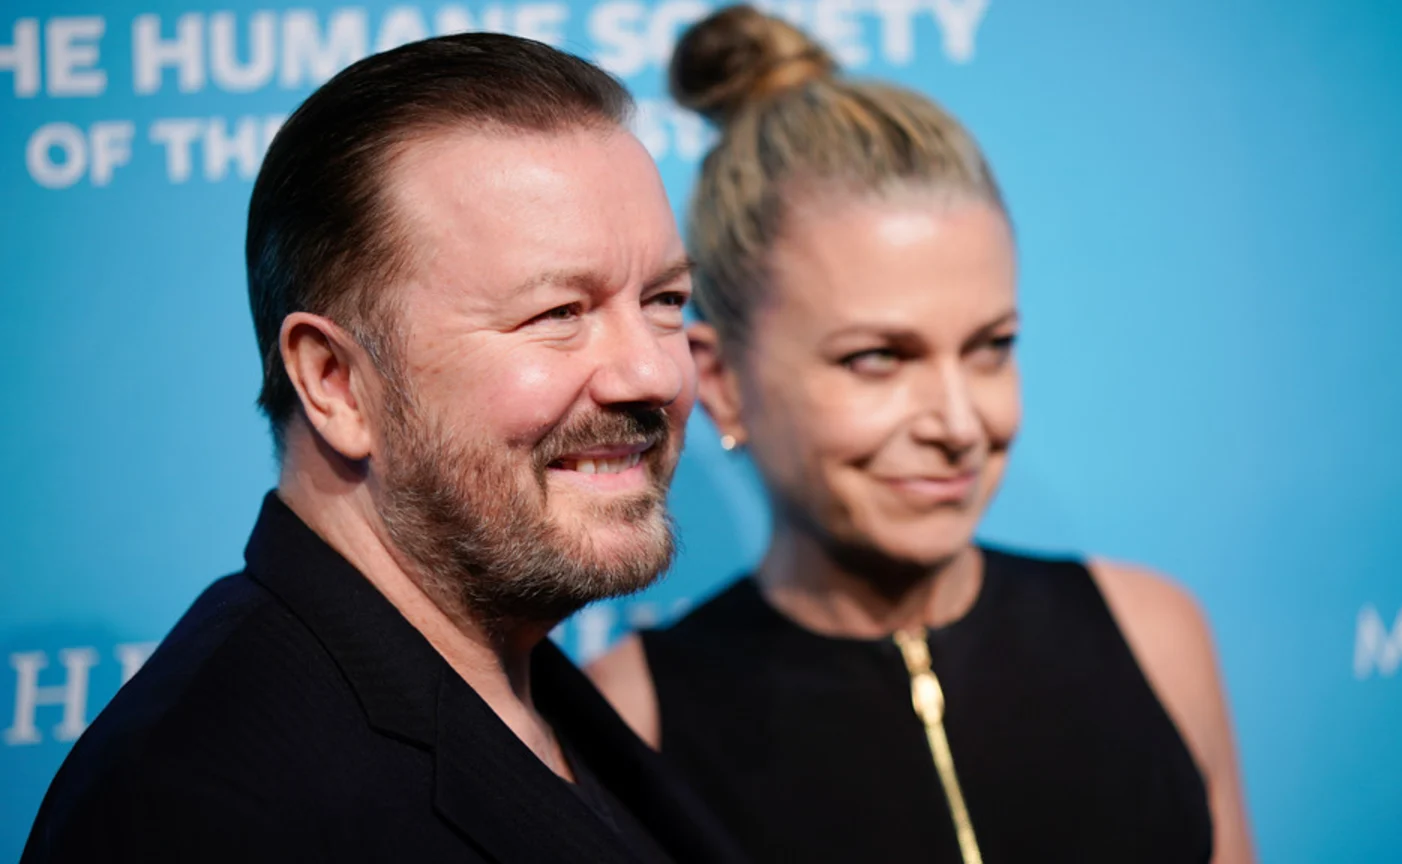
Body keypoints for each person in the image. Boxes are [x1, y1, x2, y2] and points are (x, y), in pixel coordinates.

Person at [23, 33, 745, 864]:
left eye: (665, 299)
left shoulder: (546, 702)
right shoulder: (196, 808)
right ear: (335, 382)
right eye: (558, 314)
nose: (654, 373)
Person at [587, 6, 1256, 864]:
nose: (960, 424)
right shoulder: (629, 723)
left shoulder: (1155, 638)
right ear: (721, 383)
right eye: (877, 359)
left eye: (990, 348)